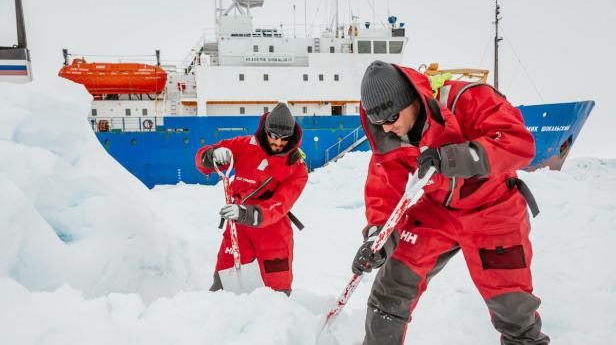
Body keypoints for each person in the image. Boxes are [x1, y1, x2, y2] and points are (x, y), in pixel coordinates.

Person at [352, 61, 550, 345]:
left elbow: (518, 143)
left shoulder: (467, 99)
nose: (387, 126)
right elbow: (384, 193)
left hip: (493, 208)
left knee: (512, 308)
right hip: (437, 212)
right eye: (378, 121)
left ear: (412, 101)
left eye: (392, 116)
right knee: (391, 289)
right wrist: (378, 239)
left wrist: (452, 158)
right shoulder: (389, 137)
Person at [195, 102, 308, 295]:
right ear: (266, 131)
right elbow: (203, 162)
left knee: (277, 288)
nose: (278, 142)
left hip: (272, 229)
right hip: (238, 226)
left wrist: (249, 214)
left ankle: (279, 320)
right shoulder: (244, 145)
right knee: (224, 279)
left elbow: (281, 204)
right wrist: (211, 154)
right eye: (274, 136)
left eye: (284, 139)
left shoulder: (297, 168)